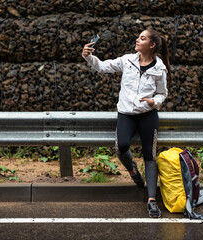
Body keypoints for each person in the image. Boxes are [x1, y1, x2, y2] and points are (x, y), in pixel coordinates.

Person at [82, 29, 171, 218]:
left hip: (147, 115)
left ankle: (152, 200)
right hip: (126, 114)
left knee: (150, 155)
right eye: (139, 37)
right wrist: (89, 57)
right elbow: (103, 66)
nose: (137, 40)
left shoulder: (159, 68)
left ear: (152, 45)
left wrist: (153, 102)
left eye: (142, 38)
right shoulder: (127, 60)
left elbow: (163, 93)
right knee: (121, 146)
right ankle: (133, 171)